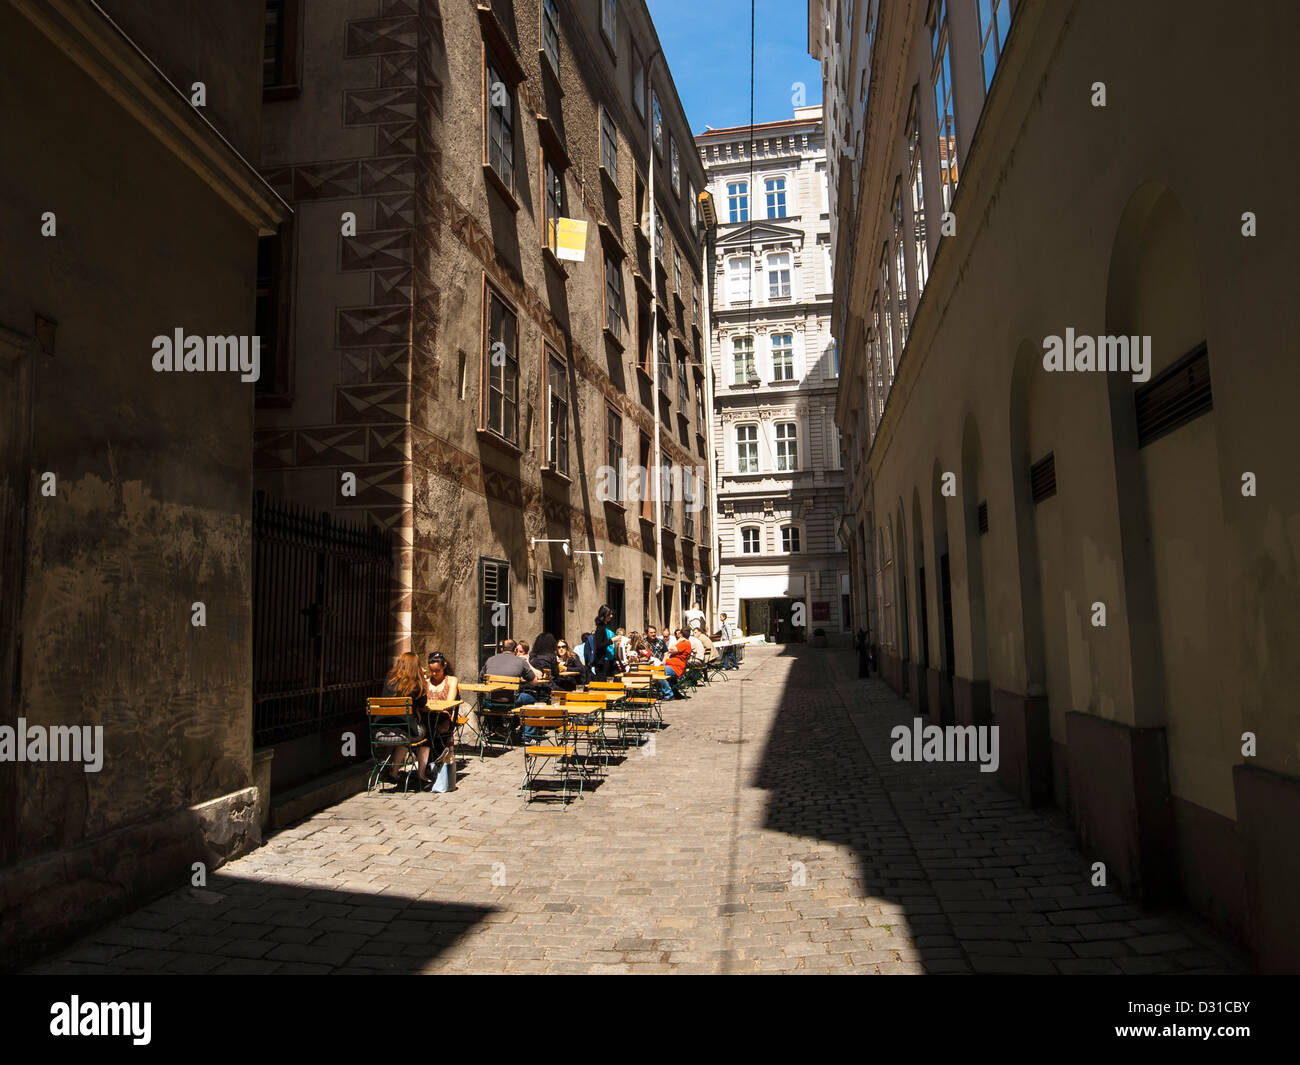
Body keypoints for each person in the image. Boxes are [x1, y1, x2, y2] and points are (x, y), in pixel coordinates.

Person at [380, 652, 428, 788]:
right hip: (404, 733)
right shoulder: (417, 684)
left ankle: (393, 772)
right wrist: (424, 681)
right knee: (427, 735)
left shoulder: (389, 679)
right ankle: (421, 774)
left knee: (404, 734)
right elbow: (423, 703)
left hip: (381, 732)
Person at [481, 639, 538, 740]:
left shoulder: (490, 660)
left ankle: (498, 728)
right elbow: (534, 682)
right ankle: (527, 735)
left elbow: (481, 678)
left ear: (502, 649)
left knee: (497, 697)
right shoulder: (520, 662)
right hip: (510, 702)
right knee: (531, 700)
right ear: (515, 650)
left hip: (491, 702)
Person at [425, 652, 459, 780]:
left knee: (434, 729)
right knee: (424, 729)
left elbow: (449, 702)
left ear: (444, 666)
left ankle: (433, 764)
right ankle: (428, 765)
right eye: (432, 671)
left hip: (443, 717)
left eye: (437, 671)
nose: (434, 674)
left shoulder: (451, 680)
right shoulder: (426, 681)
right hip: (428, 716)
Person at [659, 629, 692, 700]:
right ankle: (674, 692)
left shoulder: (684, 642)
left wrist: (678, 641)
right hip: (673, 666)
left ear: (681, 634)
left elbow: (671, 649)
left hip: (676, 667)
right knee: (658, 670)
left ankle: (668, 694)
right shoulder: (685, 642)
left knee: (659, 672)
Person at [592, 606, 617, 681]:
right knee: (603, 683)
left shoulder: (609, 626)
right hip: (603, 662)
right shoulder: (600, 628)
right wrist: (612, 640)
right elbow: (599, 645)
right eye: (609, 614)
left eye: (611, 614)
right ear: (604, 615)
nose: (611, 616)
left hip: (611, 660)